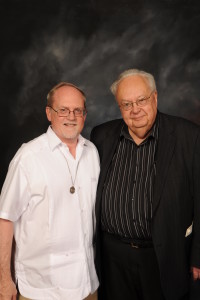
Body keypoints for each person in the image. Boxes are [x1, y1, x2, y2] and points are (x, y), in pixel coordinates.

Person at [90, 69, 200, 300]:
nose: (135, 110)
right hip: (113, 260)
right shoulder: (101, 136)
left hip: (163, 257)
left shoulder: (189, 137)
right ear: (119, 107)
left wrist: (197, 257)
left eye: (141, 100)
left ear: (155, 98)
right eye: (126, 104)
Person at [0, 82, 100, 300]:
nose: (71, 116)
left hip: (87, 286)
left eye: (77, 110)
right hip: (41, 289)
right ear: (49, 113)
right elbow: (4, 219)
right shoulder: (28, 157)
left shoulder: (92, 152)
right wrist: (4, 280)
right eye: (63, 110)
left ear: (84, 114)